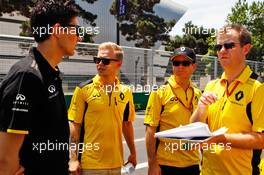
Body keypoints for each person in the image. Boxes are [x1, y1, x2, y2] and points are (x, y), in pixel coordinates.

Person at [0, 1, 81, 174]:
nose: (79, 37)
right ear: (58, 31)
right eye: (76, 29)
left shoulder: (50, 72)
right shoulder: (27, 76)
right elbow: (6, 159)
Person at [190, 24, 264, 175]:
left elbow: (261, 139)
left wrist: (221, 139)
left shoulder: (258, 87)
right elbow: (193, 130)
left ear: (246, 49)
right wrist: (200, 109)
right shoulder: (211, 86)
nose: (222, 50)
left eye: (229, 45)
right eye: (219, 46)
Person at [68, 42, 137, 175]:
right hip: (89, 165)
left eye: (105, 61)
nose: (99, 64)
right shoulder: (83, 89)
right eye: (97, 60)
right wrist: (73, 159)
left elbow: (127, 124)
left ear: (119, 64)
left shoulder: (126, 91)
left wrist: (133, 153)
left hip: (117, 163)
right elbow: (75, 126)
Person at [144, 47, 202, 175]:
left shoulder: (198, 94)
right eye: (176, 63)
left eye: (185, 63)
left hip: (192, 163)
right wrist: (152, 163)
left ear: (194, 66)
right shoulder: (160, 93)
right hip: (166, 164)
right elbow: (150, 130)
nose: (180, 67)